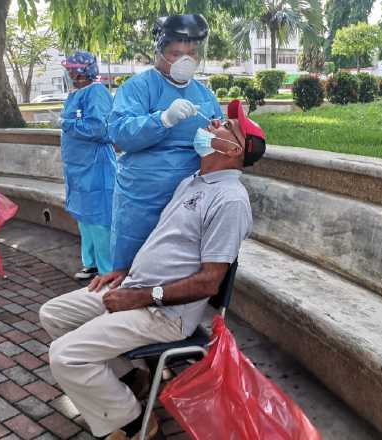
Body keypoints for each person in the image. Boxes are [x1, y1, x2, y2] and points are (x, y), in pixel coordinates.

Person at [39, 100, 266, 440]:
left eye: (226, 126)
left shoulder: (230, 200)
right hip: (138, 288)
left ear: (234, 149)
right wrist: (124, 273)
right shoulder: (194, 181)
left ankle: (133, 425)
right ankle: (132, 380)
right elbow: (165, 245)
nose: (215, 122)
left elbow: (209, 282)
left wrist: (139, 298)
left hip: (166, 314)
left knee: (65, 356)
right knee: (53, 313)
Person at [104, 14, 223, 287]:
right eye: (176, 53)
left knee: (175, 265)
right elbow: (120, 134)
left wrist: (216, 135)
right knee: (132, 267)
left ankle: (165, 314)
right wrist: (163, 119)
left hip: (187, 196)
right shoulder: (138, 87)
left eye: (192, 53)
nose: (186, 60)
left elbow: (216, 135)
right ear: (159, 51)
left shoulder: (204, 94)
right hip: (143, 196)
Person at [60, 51, 117, 279]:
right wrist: (70, 123)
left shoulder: (97, 92)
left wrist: (68, 124)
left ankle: (107, 270)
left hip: (95, 166)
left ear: (86, 70)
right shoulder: (75, 94)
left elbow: (100, 129)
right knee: (84, 218)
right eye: (70, 69)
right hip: (77, 166)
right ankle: (91, 264)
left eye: (75, 69)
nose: (71, 72)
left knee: (100, 219)